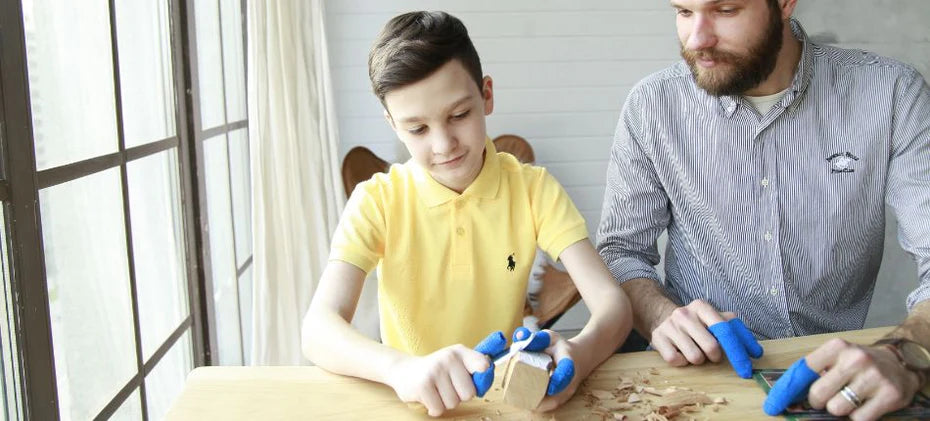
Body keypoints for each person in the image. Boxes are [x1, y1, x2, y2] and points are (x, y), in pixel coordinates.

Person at [596, 0, 930, 419]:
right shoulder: (652, 105)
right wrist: (662, 315)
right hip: (697, 377)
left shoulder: (892, 93)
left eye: (726, 10)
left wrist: (905, 354)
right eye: (683, 12)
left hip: (833, 375)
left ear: (785, 3)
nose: (697, 39)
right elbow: (620, 252)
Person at [302, 11, 633, 417]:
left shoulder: (534, 189)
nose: (443, 145)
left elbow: (613, 304)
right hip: (412, 401)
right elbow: (318, 330)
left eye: (459, 115)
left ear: (486, 95)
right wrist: (401, 369)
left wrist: (579, 355)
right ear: (392, 125)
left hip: (510, 401)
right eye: (417, 130)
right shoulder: (377, 200)